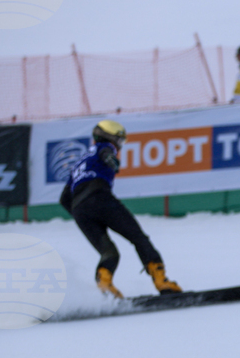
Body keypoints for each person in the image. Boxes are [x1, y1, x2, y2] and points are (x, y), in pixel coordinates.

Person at [59, 119, 182, 299]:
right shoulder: (104, 147)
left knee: (109, 253)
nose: (120, 145)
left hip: (80, 210)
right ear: (110, 137)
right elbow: (106, 153)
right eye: (119, 140)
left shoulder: (80, 162)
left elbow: (64, 199)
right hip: (100, 198)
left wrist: (83, 216)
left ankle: (105, 286)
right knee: (138, 238)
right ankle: (161, 281)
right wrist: (112, 161)